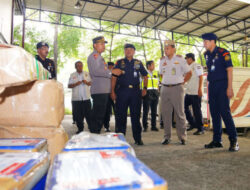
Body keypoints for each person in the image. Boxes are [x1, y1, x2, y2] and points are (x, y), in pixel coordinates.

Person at [202, 33, 239, 151]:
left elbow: (229, 70)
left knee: (225, 113)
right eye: (204, 41)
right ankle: (217, 140)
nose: (204, 43)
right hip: (212, 85)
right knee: (214, 113)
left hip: (223, 85)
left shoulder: (224, 52)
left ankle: (234, 141)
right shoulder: (206, 55)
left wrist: (230, 87)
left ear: (213, 41)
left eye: (206, 41)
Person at [111, 43, 148, 145]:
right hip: (122, 92)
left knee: (136, 116)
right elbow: (113, 77)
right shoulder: (119, 62)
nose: (128, 51)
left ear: (134, 51)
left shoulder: (138, 63)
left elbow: (145, 76)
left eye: (130, 49)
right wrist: (112, 91)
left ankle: (138, 139)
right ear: (124, 51)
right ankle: (120, 139)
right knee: (120, 116)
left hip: (136, 93)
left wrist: (144, 88)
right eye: (126, 49)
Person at [159, 40, 192, 145]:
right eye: (165, 48)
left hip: (177, 88)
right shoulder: (162, 60)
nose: (165, 50)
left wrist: (183, 82)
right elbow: (160, 73)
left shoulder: (180, 59)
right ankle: (166, 137)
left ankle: (182, 137)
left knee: (179, 113)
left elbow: (189, 72)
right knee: (165, 114)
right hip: (164, 88)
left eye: (168, 48)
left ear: (173, 49)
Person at [87, 36, 122, 134]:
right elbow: (96, 71)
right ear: (95, 45)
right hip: (99, 90)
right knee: (97, 117)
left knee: (99, 116)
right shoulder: (95, 56)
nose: (103, 46)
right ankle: (94, 137)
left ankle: (95, 134)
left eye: (104, 44)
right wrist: (112, 72)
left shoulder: (99, 57)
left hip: (102, 90)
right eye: (101, 44)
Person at [68, 61, 91, 133]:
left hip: (86, 98)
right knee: (78, 115)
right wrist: (76, 84)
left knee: (89, 114)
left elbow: (91, 83)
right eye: (78, 66)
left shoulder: (87, 73)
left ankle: (91, 127)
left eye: (81, 65)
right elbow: (69, 86)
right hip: (76, 99)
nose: (80, 67)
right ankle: (80, 129)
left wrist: (86, 82)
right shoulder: (72, 75)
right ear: (75, 67)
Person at [184, 53, 204, 135]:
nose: (186, 60)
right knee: (184, 107)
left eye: (187, 59)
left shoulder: (197, 65)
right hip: (189, 92)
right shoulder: (188, 67)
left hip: (196, 92)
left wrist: (199, 89)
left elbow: (201, 77)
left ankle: (200, 129)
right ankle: (192, 123)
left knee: (197, 111)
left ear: (190, 58)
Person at [142, 61, 159, 132]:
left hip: (155, 92)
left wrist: (158, 90)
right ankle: (145, 126)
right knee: (146, 110)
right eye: (153, 65)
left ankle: (153, 126)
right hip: (147, 92)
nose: (154, 66)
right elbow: (141, 82)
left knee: (154, 110)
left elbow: (158, 82)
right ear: (148, 66)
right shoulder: (144, 73)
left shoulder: (156, 73)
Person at [103, 62, 116, 132]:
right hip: (107, 94)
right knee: (107, 111)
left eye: (112, 66)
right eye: (109, 66)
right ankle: (106, 126)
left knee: (117, 111)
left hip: (115, 94)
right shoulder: (105, 74)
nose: (111, 68)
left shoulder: (116, 73)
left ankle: (118, 126)